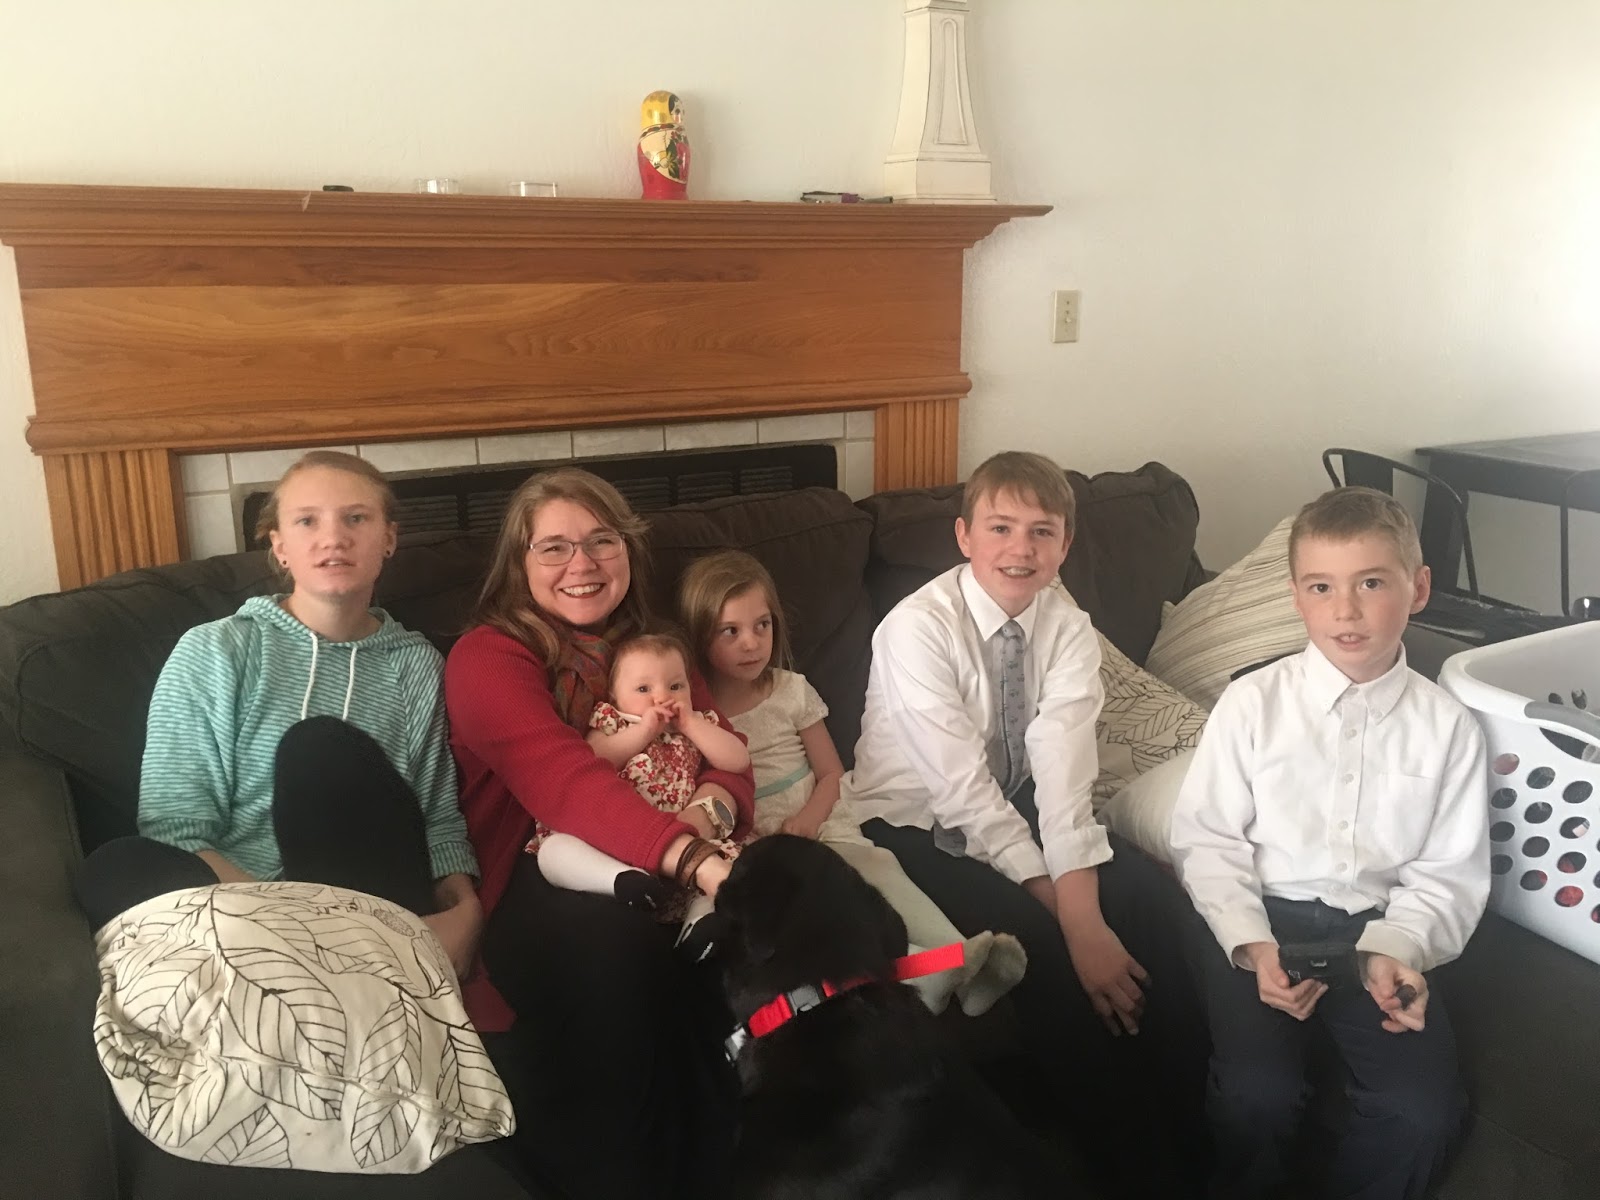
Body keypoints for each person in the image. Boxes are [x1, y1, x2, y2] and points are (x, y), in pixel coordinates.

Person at [841, 450, 1206, 1197]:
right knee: (1041, 947)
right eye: (1001, 527)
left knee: (1147, 900)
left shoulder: (1067, 627)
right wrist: (1075, 922)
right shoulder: (916, 629)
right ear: (964, 536)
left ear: (1065, 544)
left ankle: (1205, 1124)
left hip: (1017, 798)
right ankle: (1141, 1170)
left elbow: (1065, 777)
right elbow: (961, 793)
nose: (1021, 548)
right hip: (910, 821)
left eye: (1042, 531)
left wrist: (1090, 907)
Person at [1169, 486, 1489, 1200]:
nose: (1345, 610)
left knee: (1424, 1113)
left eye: (1371, 583)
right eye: (1321, 587)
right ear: (1296, 597)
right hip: (1260, 917)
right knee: (1258, 1094)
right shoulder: (1252, 704)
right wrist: (1253, 947)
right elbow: (1208, 839)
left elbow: (1448, 872)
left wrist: (1399, 950)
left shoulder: (1449, 728)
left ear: (1418, 589)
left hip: (1377, 931)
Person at [443, 467, 754, 1200]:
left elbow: (728, 760)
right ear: (518, 565)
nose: (581, 564)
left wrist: (701, 817)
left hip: (667, 844)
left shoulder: (655, 650)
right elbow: (564, 780)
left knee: (721, 951)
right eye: (553, 547)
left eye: (601, 541)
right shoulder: (487, 657)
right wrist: (694, 860)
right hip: (538, 866)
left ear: (628, 550)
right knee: (623, 951)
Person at [72, 450, 482, 978]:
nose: (334, 538)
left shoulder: (416, 663)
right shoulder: (216, 650)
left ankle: (322, 960)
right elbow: (175, 825)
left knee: (320, 751)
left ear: (388, 538)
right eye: (307, 521)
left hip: (372, 891)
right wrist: (286, 913)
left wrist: (466, 910)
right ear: (280, 546)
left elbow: (437, 817)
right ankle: (326, 958)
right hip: (240, 899)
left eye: (356, 518)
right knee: (114, 866)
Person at [678, 548, 1026, 1016]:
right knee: (822, 916)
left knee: (880, 876)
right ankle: (926, 973)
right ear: (700, 635)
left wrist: (809, 819)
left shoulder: (791, 690)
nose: (752, 643)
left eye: (762, 625)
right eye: (731, 631)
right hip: (760, 851)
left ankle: (962, 958)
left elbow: (831, 773)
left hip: (823, 825)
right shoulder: (698, 715)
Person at [537, 629, 751, 956]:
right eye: (643, 689)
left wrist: (692, 725)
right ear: (614, 694)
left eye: (676, 686)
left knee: (730, 869)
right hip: (614, 840)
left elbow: (737, 760)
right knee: (553, 850)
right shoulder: (612, 721)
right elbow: (595, 759)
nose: (661, 697)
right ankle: (623, 880)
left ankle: (700, 925)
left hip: (683, 839)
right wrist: (643, 731)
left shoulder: (700, 723)